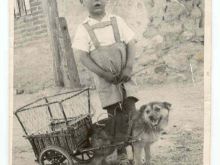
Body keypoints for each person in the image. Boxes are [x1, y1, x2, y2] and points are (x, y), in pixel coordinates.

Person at [73, 0, 138, 164]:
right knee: (114, 115)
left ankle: (136, 149)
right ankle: (122, 152)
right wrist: (102, 73)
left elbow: (130, 42)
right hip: (105, 80)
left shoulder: (117, 20)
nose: (97, 1)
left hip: (124, 75)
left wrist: (129, 67)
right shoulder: (83, 28)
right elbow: (82, 56)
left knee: (131, 112)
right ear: (83, 2)